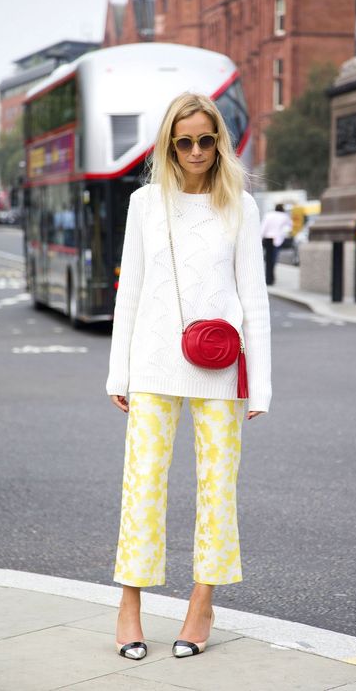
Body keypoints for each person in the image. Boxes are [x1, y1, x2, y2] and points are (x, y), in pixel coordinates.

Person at [106, 92, 271, 661]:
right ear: (169, 146)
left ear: (219, 142)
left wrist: (262, 385)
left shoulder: (241, 207)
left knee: (217, 489)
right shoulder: (144, 203)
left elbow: (255, 298)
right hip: (153, 362)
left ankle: (202, 601)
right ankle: (130, 602)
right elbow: (130, 293)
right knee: (143, 486)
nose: (197, 151)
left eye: (206, 140)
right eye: (185, 141)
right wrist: (117, 372)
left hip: (222, 368)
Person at [260, 203, 292, 285]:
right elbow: (288, 228)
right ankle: (271, 278)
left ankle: (268, 278)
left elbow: (263, 227)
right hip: (277, 239)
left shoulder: (269, 215)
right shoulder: (285, 217)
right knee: (273, 259)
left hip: (268, 239)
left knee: (268, 260)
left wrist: (260, 238)